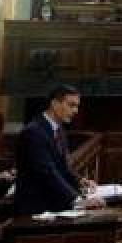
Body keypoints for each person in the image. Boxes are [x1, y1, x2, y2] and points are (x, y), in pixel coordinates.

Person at [15, 84, 105, 215]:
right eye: (71, 105)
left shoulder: (59, 130)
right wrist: (77, 200)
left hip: (55, 203)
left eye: (77, 106)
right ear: (55, 104)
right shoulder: (34, 132)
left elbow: (62, 167)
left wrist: (80, 181)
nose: (76, 111)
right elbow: (47, 172)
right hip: (36, 208)